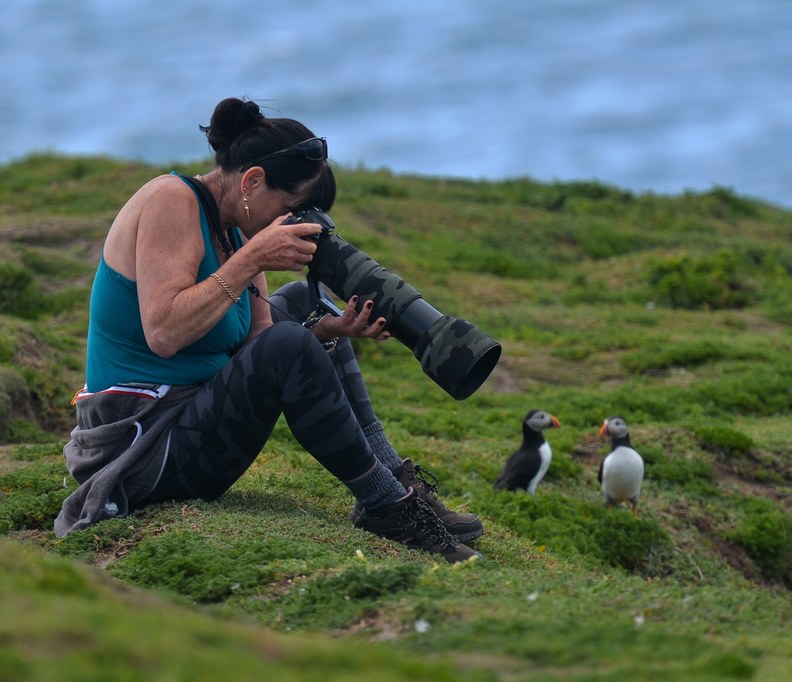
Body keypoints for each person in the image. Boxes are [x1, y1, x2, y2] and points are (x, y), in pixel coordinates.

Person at [54, 97, 483, 563]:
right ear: (252, 181)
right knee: (289, 337)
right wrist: (254, 258)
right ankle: (389, 507)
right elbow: (164, 332)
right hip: (140, 450)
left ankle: (393, 481)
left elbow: (258, 345)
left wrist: (330, 330)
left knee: (302, 302)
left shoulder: (234, 227)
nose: (294, 222)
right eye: (292, 207)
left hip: (189, 416)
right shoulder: (169, 200)